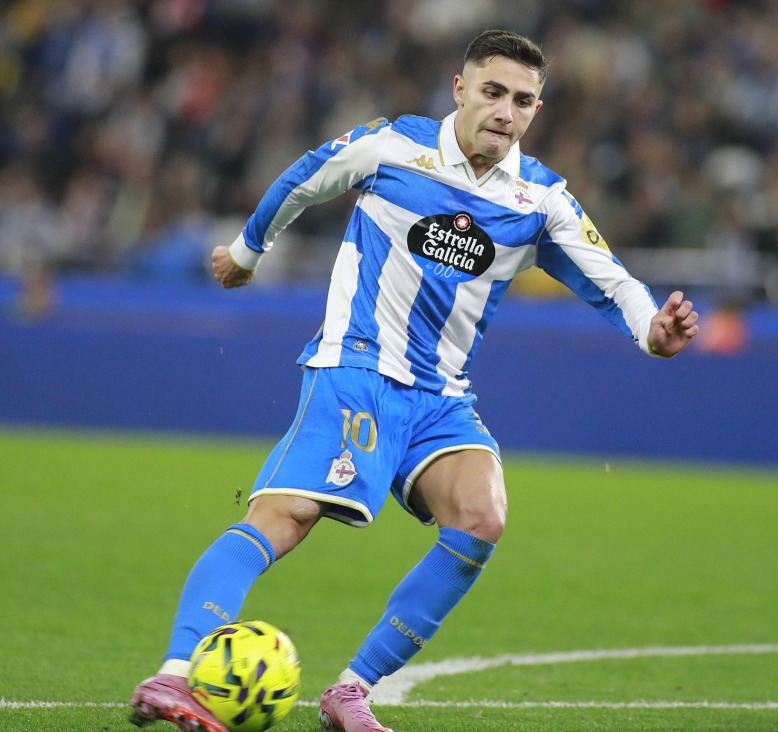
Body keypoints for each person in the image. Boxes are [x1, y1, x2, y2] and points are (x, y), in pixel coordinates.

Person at [129, 29, 699, 732]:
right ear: (459, 90)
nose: (504, 111)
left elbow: (612, 281)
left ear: (536, 109)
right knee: (284, 518)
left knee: (483, 515)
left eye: (522, 100)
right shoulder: (395, 146)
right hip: (358, 368)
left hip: (441, 398)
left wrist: (653, 332)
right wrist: (248, 253)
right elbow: (308, 175)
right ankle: (174, 675)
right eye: (492, 91)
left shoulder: (540, 200)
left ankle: (350, 692)